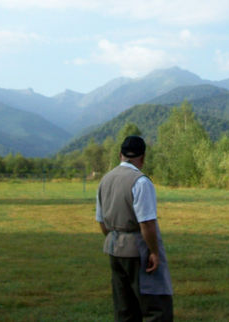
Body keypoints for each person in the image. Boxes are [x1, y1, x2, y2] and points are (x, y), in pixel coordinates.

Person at [96, 135, 173, 321]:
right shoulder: (141, 182)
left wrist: (116, 237)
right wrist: (153, 252)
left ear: (120, 154)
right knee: (155, 307)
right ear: (143, 157)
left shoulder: (105, 180)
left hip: (114, 248)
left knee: (125, 309)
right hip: (138, 251)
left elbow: (101, 221)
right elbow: (146, 223)